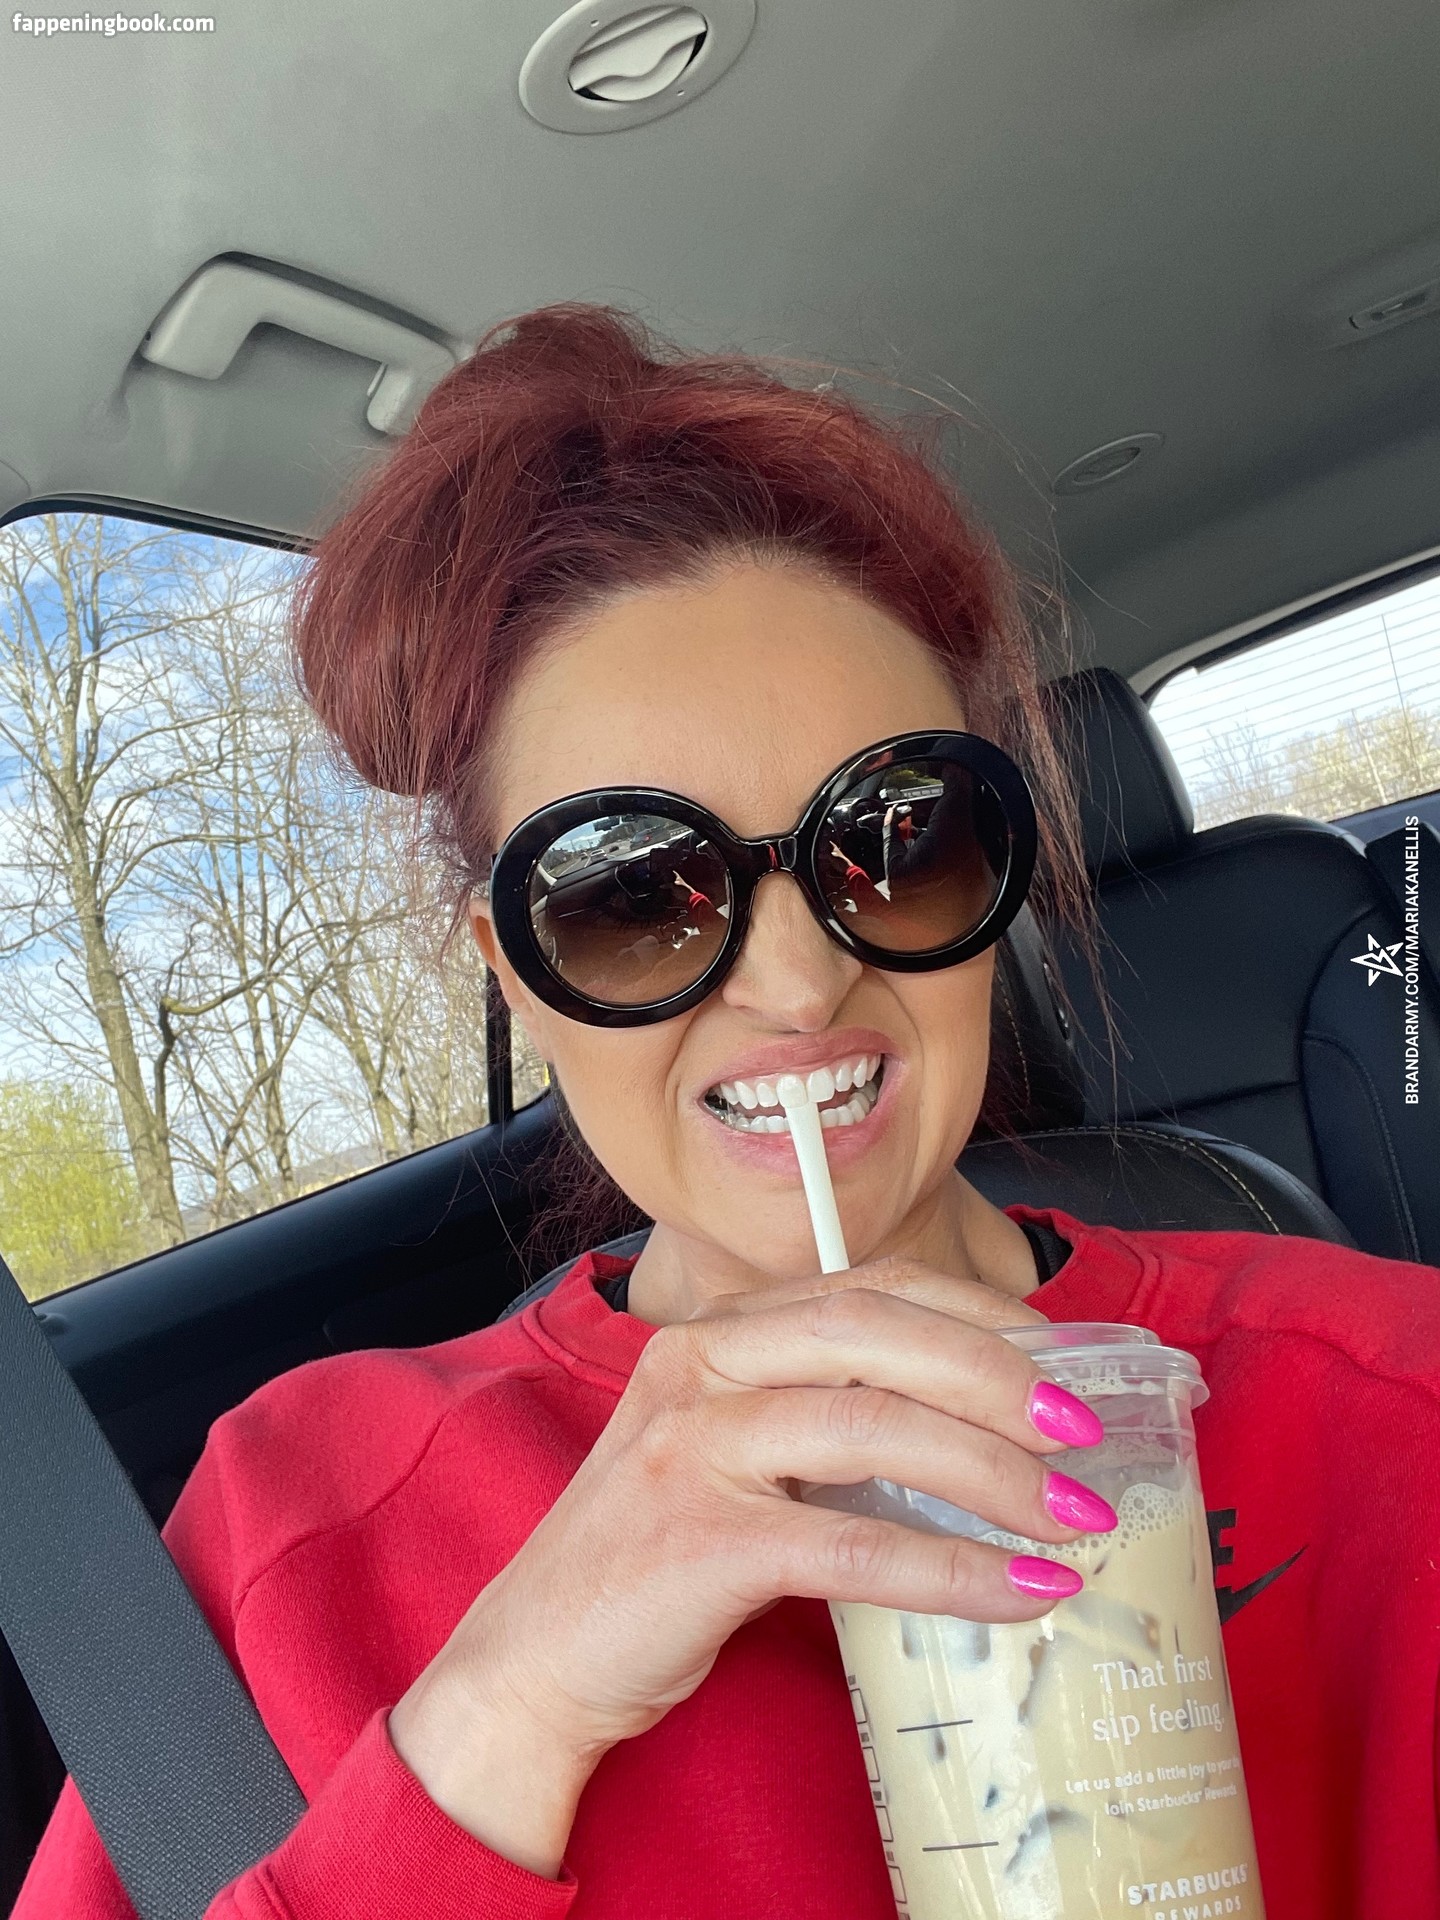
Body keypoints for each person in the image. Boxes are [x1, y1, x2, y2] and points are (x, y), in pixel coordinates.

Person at [16, 305, 1439, 1920]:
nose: (799, 984)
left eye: (897, 841)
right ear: (513, 969)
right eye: (630, 894)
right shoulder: (295, 1530)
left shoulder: (1387, 1408)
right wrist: (504, 1715)